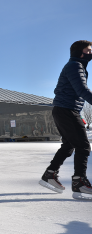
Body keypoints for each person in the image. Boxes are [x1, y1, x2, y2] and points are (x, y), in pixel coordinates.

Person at [39, 40, 92, 199]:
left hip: (66, 109)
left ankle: (49, 174)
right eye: (89, 50)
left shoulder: (77, 66)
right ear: (80, 53)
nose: (91, 53)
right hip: (66, 110)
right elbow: (82, 90)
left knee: (69, 145)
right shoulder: (75, 66)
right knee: (83, 146)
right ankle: (79, 182)